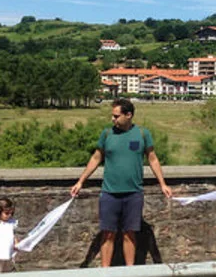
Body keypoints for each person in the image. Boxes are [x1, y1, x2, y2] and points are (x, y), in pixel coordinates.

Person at [70, 98, 172, 267]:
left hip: (134, 193)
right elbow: (96, 158)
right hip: (109, 193)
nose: (113, 119)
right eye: (113, 116)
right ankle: (105, 273)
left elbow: (152, 159)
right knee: (107, 234)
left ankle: (129, 272)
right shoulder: (107, 134)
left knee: (129, 234)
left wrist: (163, 184)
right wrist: (80, 181)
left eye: (116, 116)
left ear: (128, 115)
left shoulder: (142, 134)